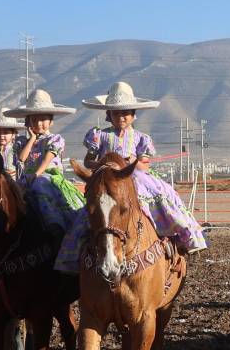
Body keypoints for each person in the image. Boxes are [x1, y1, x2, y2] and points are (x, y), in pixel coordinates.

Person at [55, 82, 207, 274]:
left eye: (126, 112)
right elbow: (88, 161)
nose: (121, 117)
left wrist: (131, 163)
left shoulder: (140, 138)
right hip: (107, 179)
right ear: (108, 115)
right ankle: (76, 256)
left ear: (134, 115)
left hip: (136, 177)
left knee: (163, 196)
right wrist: (104, 166)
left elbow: (145, 165)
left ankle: (176, 238)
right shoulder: (99, 135)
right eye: (116, 113)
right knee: (88, 214)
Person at [3, 89, 84, 242]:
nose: (39, 124)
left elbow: (48, 159)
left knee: (40, 184)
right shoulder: (22, 141)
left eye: (43, 119)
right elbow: (21, 158)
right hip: (27, 178)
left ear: (51, 121)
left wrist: (36, 174)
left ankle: (54, 224)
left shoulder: (55, 139)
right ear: (28, 123)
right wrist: (32, 139)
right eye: (34, 120)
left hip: (48, 177)